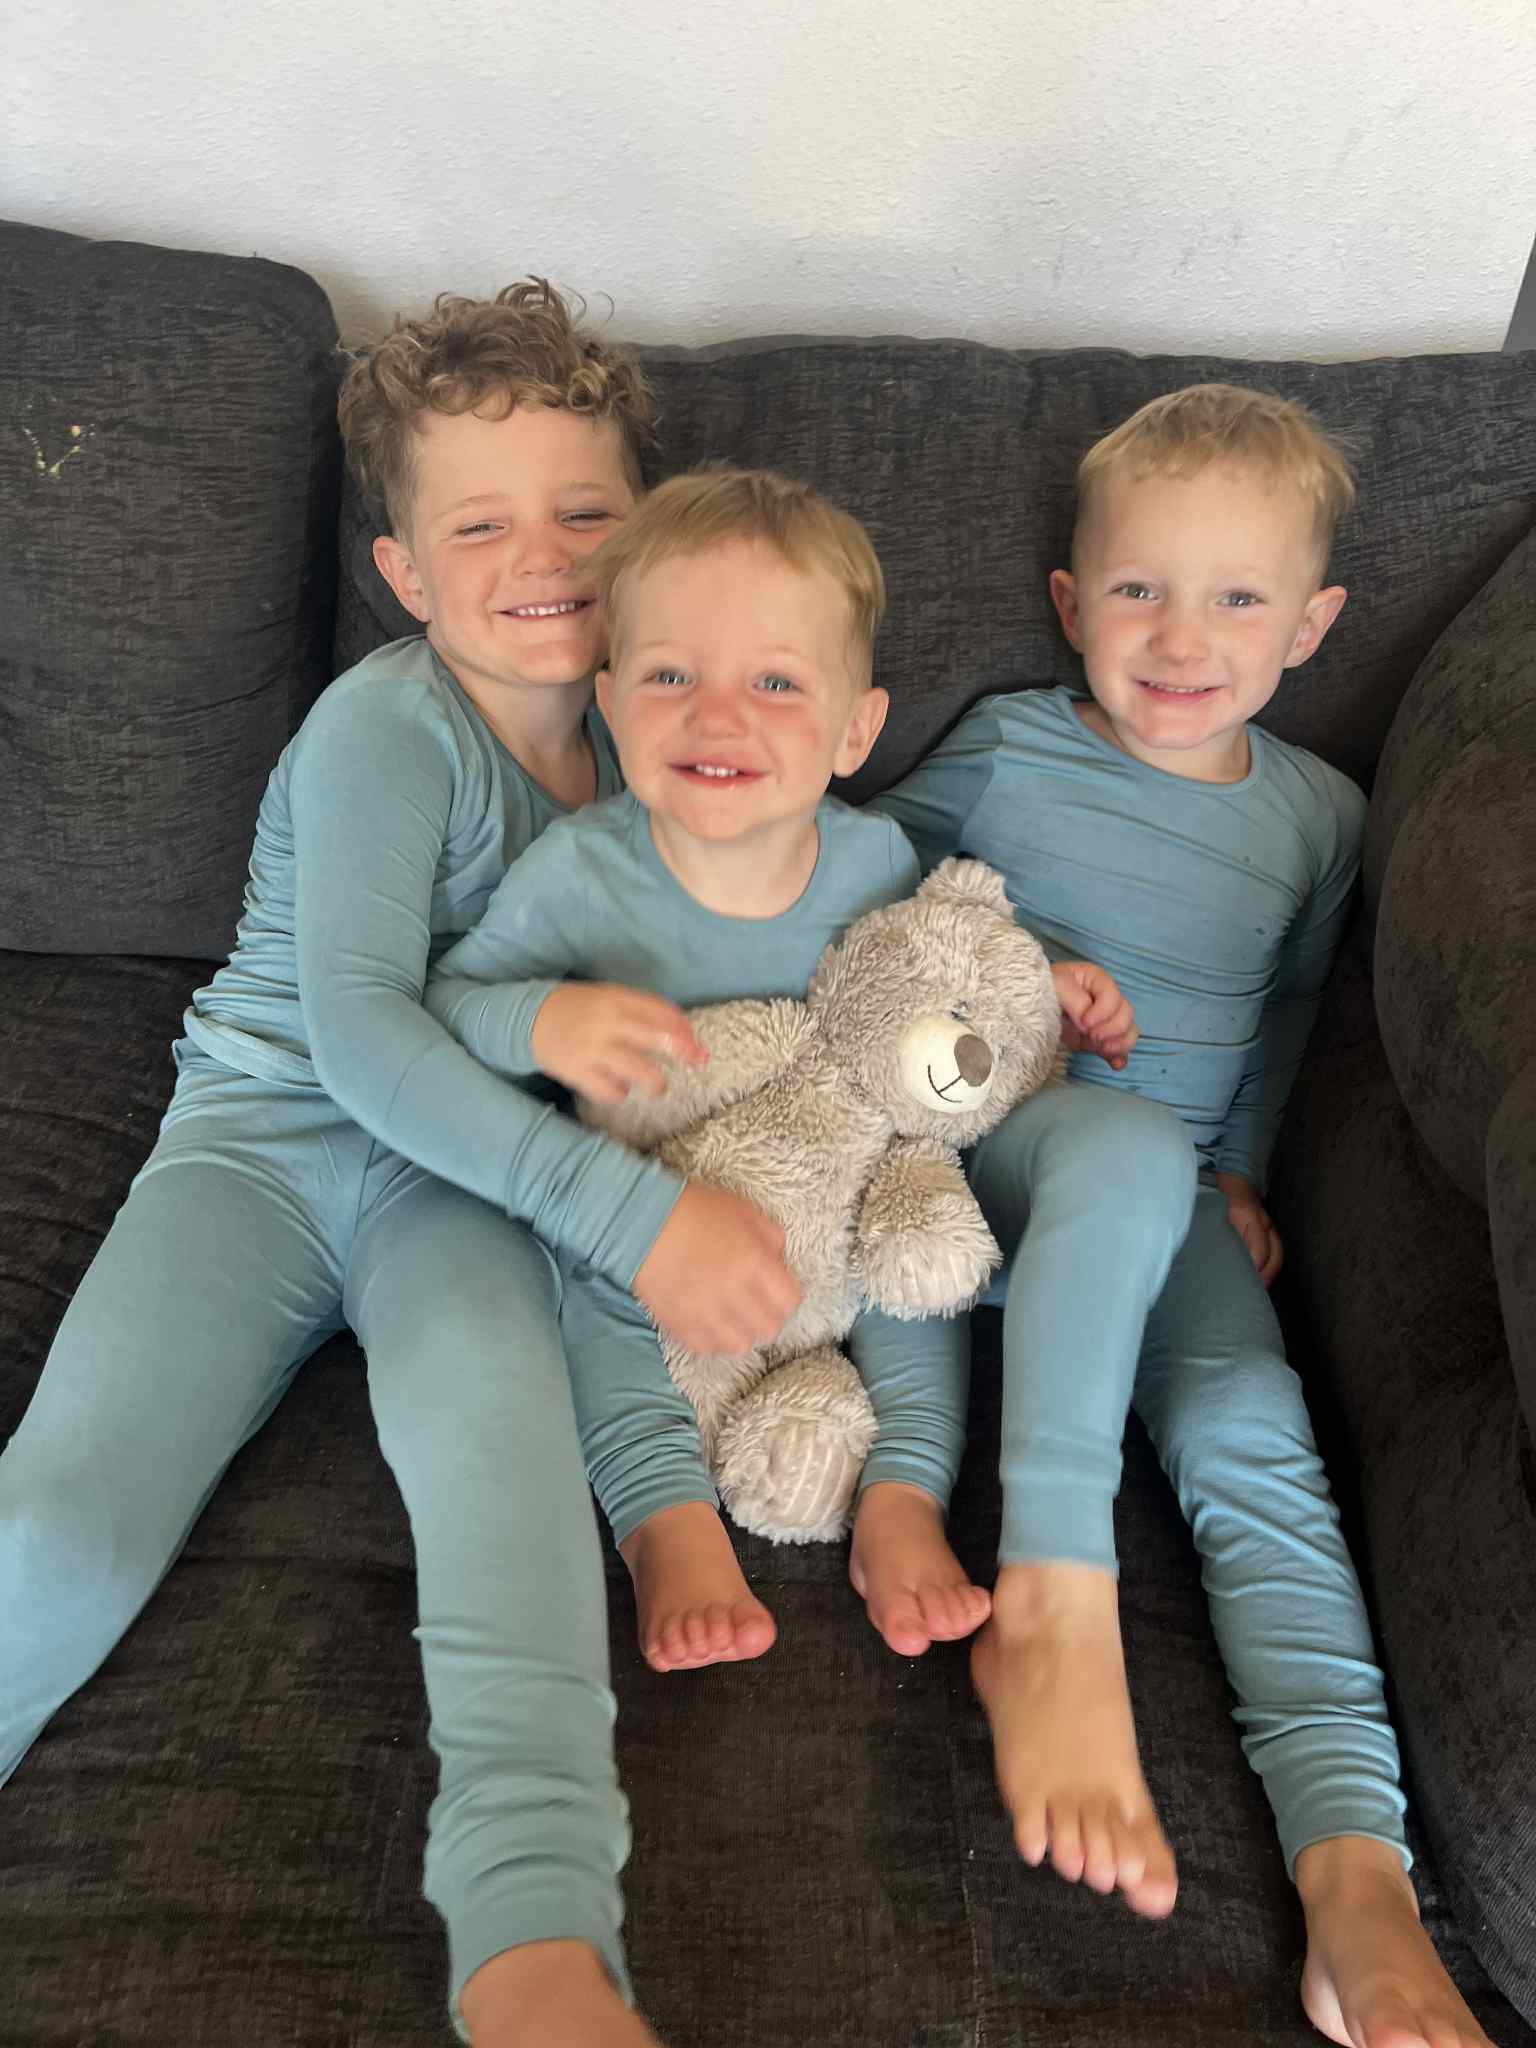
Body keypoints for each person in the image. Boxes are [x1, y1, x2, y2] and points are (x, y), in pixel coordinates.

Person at [0, 281, 785, 2048]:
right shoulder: (385, 725)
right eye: (483, 523)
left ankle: (537, 1948)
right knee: (58, 1515)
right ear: (407, 574)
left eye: (587, 511)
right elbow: (359, 1033)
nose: (545, 554)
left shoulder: (647, 749)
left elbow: (781, 919)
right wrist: (630, 1212)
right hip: (262, 1148)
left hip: (461, 1192)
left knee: (508, 1506)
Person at [871, 383, 1492, 2048]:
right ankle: (1053, 1592)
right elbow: (852, 912)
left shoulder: (1321, 821)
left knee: (1248, 1420)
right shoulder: (1009, 742)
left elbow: (1288, 1021)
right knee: (1123, 1149)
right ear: (1072, 604)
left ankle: (1359, 1882)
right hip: (989, 1152)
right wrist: (1006, 973)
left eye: (1235, 596)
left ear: (1313, 623)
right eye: (1138, 588)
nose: (1180, 634)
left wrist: (1244, 1166)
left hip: (1166, 1197)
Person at [421, 465, 1143, 1677]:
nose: (717, 717)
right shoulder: (580, 873)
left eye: (774, 682)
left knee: (923, 1253)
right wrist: (542, 1020)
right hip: (645, 1204)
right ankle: (667, 1524)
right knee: (580, 1280)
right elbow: (447, 1004)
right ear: (608, 704)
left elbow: (944, 982)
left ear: (856, 727)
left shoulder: (875, 862)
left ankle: (903, 1494)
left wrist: (1053, 986)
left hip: (837, 1201)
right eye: (669, 677)